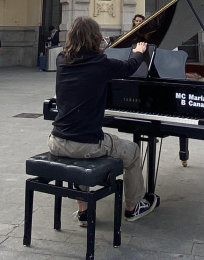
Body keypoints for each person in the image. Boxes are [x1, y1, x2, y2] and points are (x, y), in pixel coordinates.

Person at [48, 16, 159, 225]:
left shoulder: (62, 59)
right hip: (85, 144)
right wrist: (138, 52)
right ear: (95, 38)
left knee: (79, 154)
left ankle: (84, 212)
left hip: (56, 141)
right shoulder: (100, 64)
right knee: (133, 151)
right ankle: (133, 206)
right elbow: (129, 66)